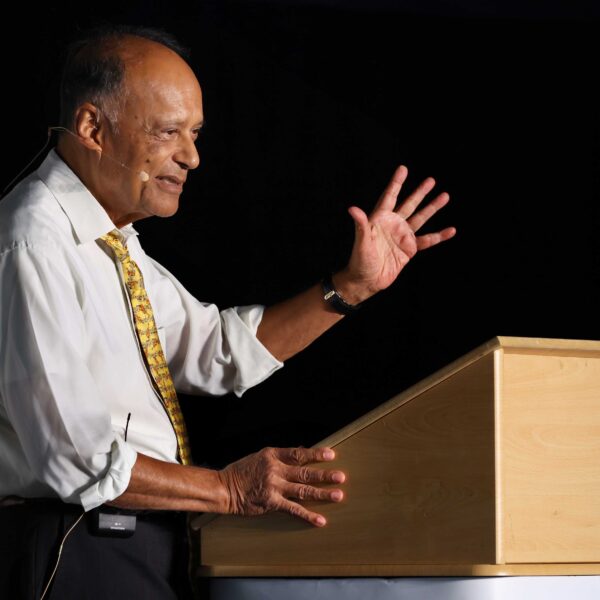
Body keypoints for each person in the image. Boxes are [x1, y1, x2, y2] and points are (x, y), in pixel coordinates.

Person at [0, 24, 455, 599]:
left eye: (193, 134)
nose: (191, 157)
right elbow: (72, 458)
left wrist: (350, 288)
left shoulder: (109, 237)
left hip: (135, 547)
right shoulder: (33, 241)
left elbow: (213, 350)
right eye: (168, 132)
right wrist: (228, 491)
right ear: (93, 127)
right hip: (75, 553)